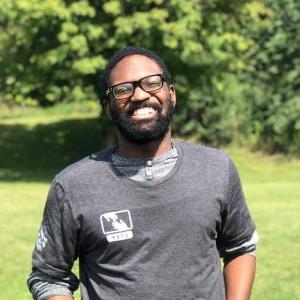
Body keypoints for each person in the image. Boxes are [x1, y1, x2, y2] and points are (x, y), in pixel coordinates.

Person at [28, 46, 259, 300]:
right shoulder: (72, 186)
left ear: (171, 94)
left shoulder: (216, 168)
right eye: (123, 89)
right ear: (107, 107)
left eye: (151, 83)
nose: (138, 95)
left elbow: (240, 247)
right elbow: (49, 277)